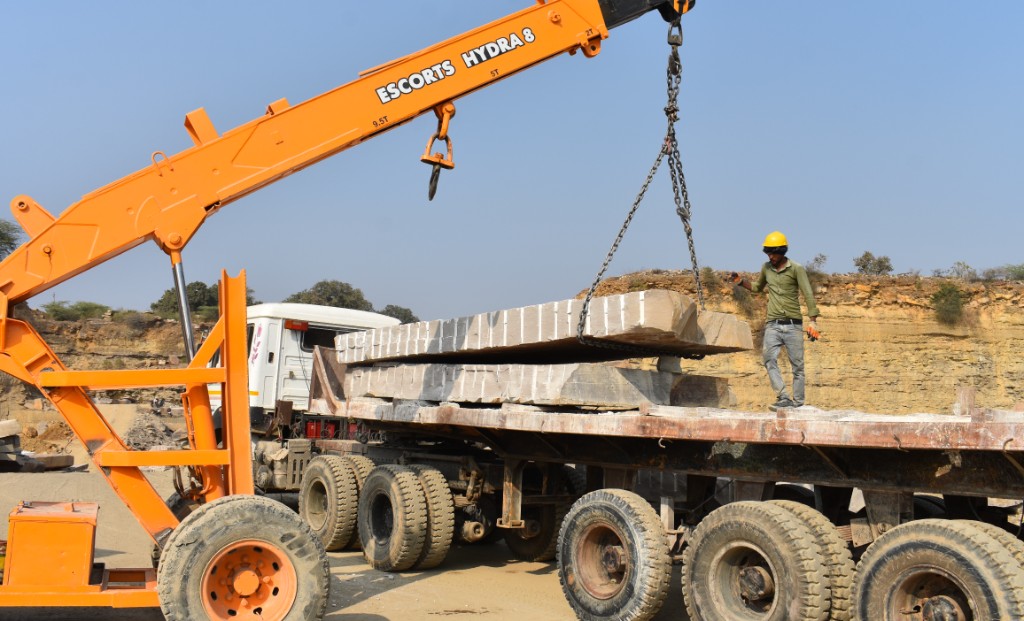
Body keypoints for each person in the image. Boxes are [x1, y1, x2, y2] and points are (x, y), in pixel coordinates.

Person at [730, 231, 820, 409]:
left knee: (798, 367)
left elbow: (808, 293)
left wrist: (813, 321)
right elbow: (757, 288)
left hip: (793, 325)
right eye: (768, 253)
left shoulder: (796, 269)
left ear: (782, 251)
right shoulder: (766, 268)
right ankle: (783, 397)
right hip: (773, 324)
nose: (770, 256)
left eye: (773, 253)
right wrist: (741, 282)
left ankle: (799, 404)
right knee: (768, 359)